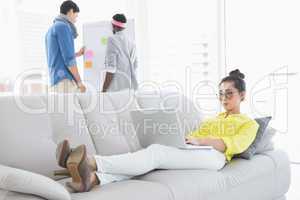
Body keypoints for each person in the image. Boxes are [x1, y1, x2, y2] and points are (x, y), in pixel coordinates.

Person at [55, 69, 259, 193]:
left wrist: (202, 141)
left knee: (156, 153)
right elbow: (194, 137)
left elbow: (230, 145)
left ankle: (90, 161)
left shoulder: (249, 124)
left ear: (242, 95)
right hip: (197, 151)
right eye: (221, 94)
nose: (224, 98)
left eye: (229, 94)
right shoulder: (214, 119)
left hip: (216, 158)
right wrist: (185, 139)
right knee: (153, 160)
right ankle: (91, 179)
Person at [45, 0, 86, 93]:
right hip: (65, 82)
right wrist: (80, 83)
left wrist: (77, 54)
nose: (76, 20)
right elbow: (69, 60)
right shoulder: (63, 27)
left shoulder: (51, 29)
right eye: (76, 16)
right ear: (71, 11)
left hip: (55, 81)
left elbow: (58, 55)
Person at [102, 14, 138, 92]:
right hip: (131, 88)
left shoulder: (112, 40)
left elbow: (111, 68)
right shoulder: (131, 41)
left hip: (117, 88)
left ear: (113, 25)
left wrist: (104, 90)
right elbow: (135, 65)